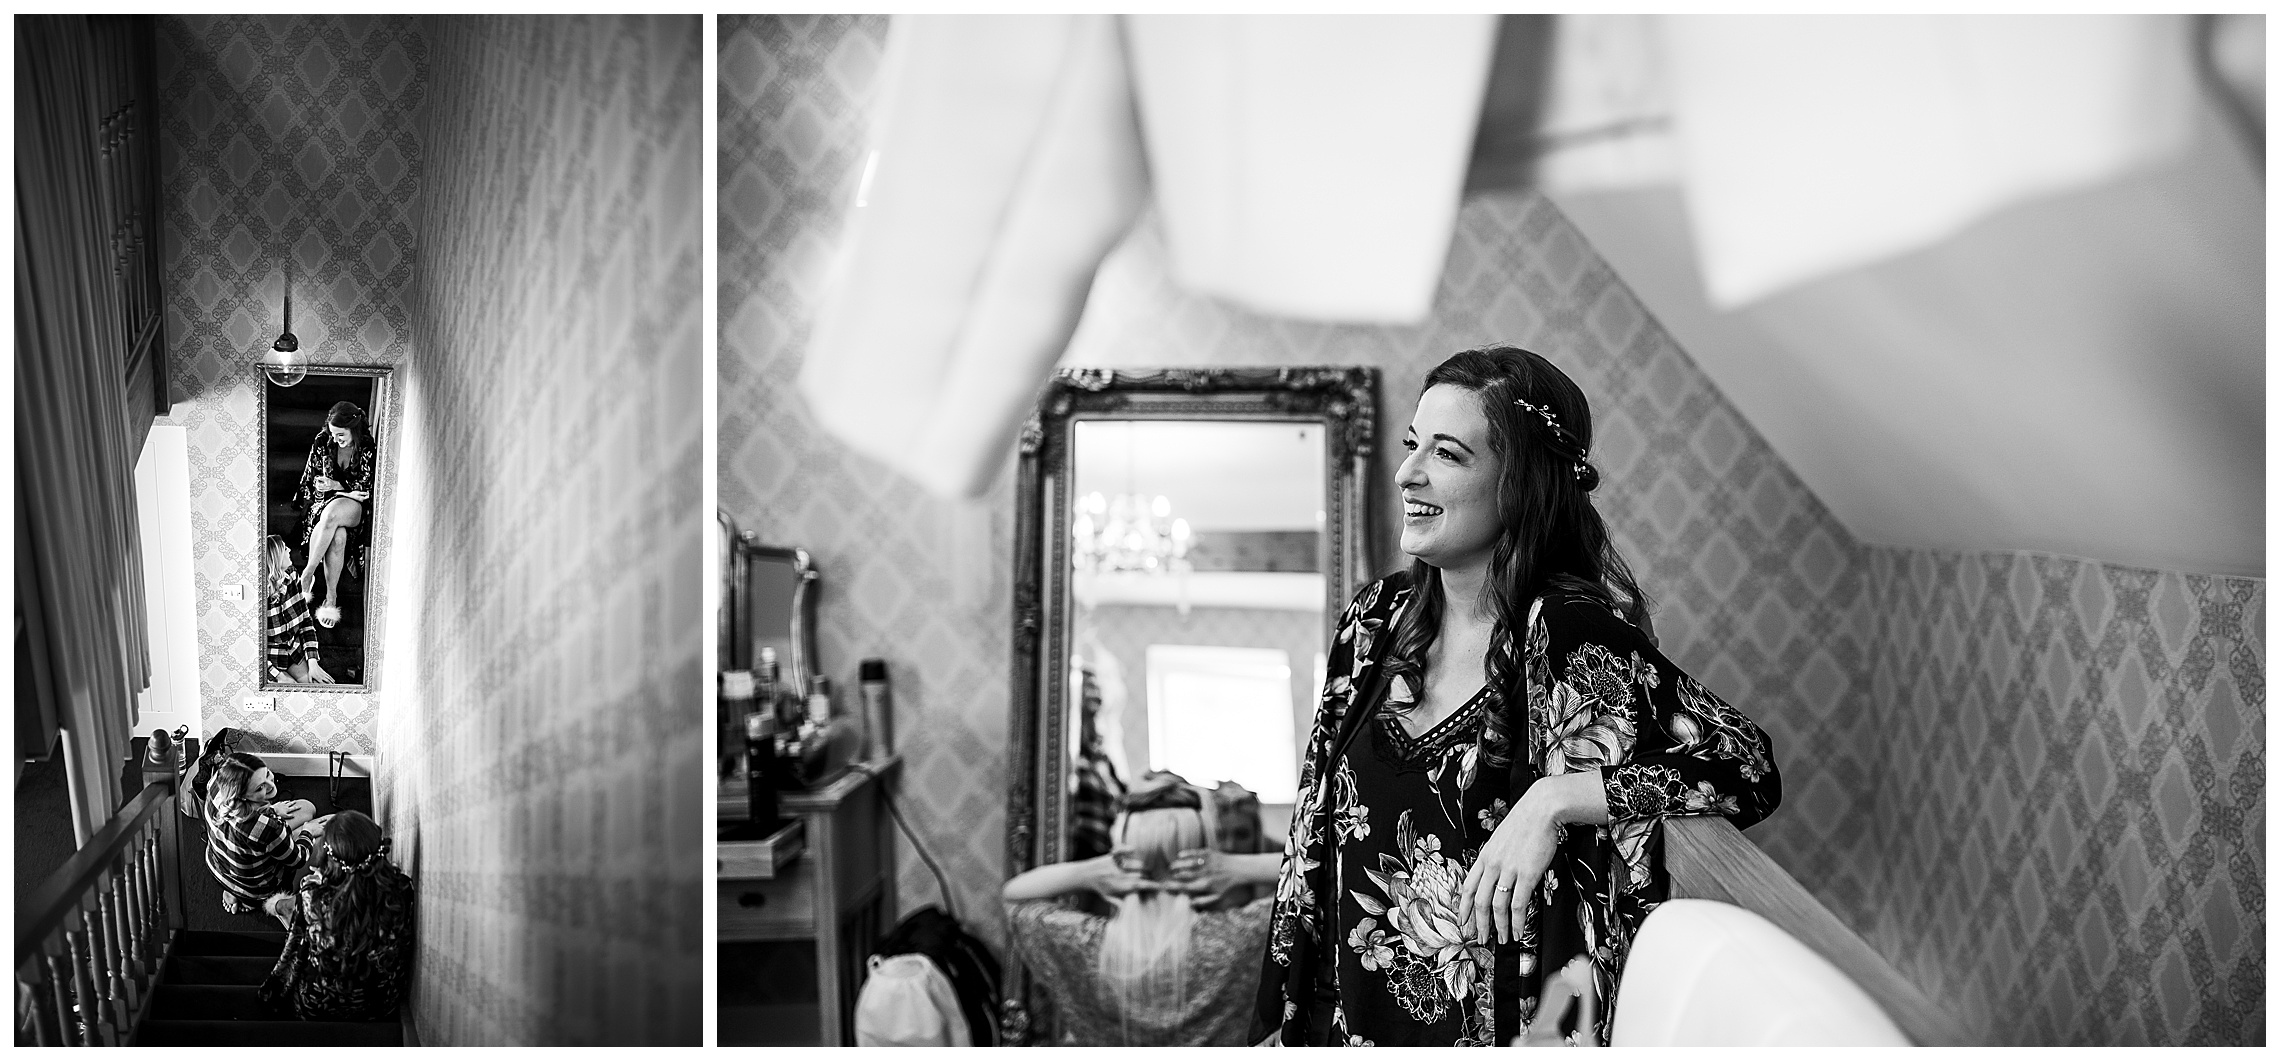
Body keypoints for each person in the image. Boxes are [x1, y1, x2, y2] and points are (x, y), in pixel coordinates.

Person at [1252, 346, 1782, 1047]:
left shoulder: (1564, 633)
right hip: (1342, 1026)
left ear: (1520, 482)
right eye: (1414, 446)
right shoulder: (1374, 620)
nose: (1409, 472)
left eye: (1448, 453)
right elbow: (1310, 844)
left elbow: (1746, 767)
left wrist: (1556, 800)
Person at [1003, 781, 1283, 1045]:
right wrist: (1234, 867)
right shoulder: (1241, 938)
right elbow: (1322, 875)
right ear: (1206, 850)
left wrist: (1087, 872)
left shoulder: (1084, 944)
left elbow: (1015, 897)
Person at [260, 810, 415, 1021]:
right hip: (380, 1006)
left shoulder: (312, 899)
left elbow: (295, 952)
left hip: (318, 1005)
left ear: (330, 858)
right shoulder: (402, 889)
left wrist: (315, 887)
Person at [203, 753, 320, 921]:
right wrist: (307, 831)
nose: (271, 786)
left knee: (307, 808)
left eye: (266, 774)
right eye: (259, 788)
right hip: (260, 887)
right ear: (242, 796)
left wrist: (271, 811)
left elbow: (239, 820)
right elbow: (298, 859)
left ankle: (233, 890)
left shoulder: (216, 783)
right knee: (323, 824)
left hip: (220, 868)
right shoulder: (267, 827)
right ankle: (258, 901)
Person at [293, 401, 376, 628]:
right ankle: (331, 597)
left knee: (331, 517)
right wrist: (322, 486)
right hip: (325, 503)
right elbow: (310, 478)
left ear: (354, 428)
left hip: (353, 507)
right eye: (333, 434)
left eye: (341, 435)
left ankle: (308, 573)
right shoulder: (323, 440)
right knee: (338, 536)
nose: (336, 439)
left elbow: (364, 488)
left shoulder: (366, 446)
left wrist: (336, 485)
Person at [263, 535, 334, 684]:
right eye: (284, 548)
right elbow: (253, 651)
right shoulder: (261, 593)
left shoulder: (292, 575)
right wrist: (278, 676)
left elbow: (305, 621)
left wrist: (313, 662)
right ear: (275, 557)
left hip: (293, 652)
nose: (289, 550)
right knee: (290, 689)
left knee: (316, 686)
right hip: (268, 660)